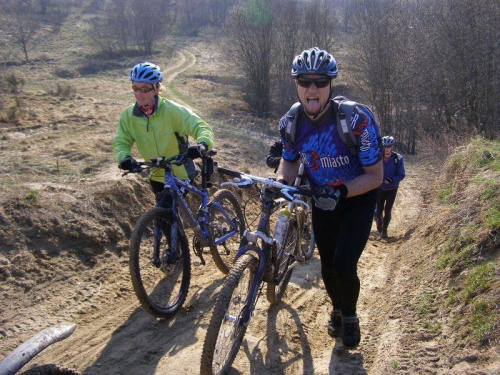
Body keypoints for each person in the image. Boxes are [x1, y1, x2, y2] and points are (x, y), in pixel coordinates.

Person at [276, 47, 383, 347]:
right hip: (322, 199)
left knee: (344, 262)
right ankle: (336, 306)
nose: (312, 89)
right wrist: (281, 183)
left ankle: (349, 315)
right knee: (327, 266)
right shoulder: (291, 122)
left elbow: (376, 175)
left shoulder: (355, 120)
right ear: (296, 84)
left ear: (330, 85)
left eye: (321, 82)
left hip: (356, 197)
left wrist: (342, 190)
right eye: (305, 81)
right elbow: (290, 159)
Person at [112, 62, 214, 197]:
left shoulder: (172, 111)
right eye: (135, 88)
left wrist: (202, 145)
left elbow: (201, 127)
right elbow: (121, 141)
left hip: (181, 172)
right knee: (163, 215)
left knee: (169, 206)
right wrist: (124, 158)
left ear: (157, 89)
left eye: (144, 89)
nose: (138, 94)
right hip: (156, 175)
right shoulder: (128, 116)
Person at [374, 136, 405, 238]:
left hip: (392, 188)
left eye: (389, 146)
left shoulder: (398, 159)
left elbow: (401, 174)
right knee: (379, 209)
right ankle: (379, 221)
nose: (386, 148)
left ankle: (385, 230)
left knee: (388, 209)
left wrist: (392, 180)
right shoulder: (377, 158)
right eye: (384, 146)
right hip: (379, 188)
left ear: (392, 147)